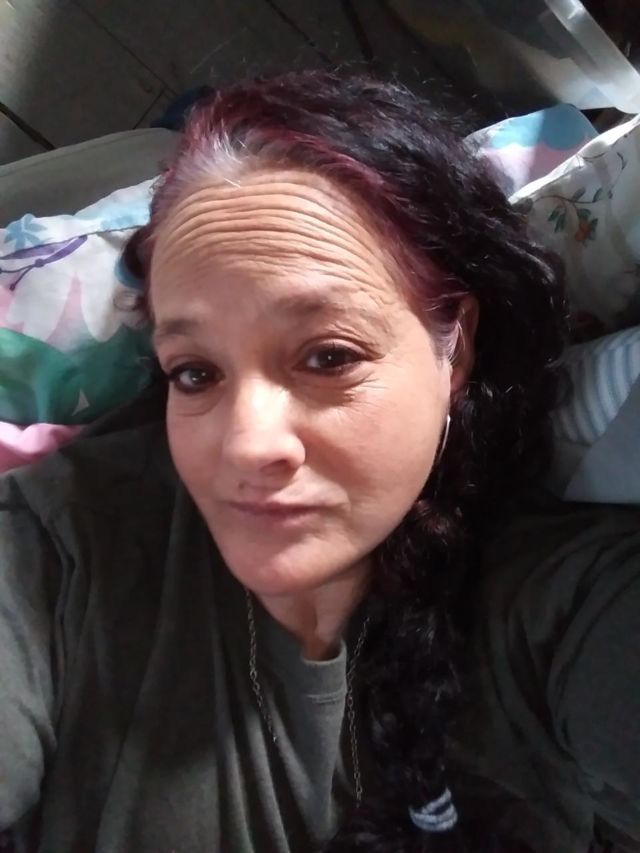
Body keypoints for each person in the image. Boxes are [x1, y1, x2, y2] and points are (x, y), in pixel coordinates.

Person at [0, 69, 638, 853]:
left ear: (456, 347)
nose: (246, 443)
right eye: (195, 373)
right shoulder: (55, 550)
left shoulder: (568, 607)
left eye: (328, 356)